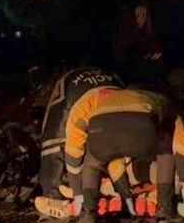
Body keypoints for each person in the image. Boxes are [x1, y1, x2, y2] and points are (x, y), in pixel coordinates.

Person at [62, 86, 184, 223]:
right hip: (141, 130)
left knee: (92, 162)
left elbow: (73, 151)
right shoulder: (163, 103)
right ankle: (164, 209)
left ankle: (88, 214)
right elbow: (183, 146)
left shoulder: (85, 105)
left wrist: (77, 194)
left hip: (101, 129)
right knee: (165, 149)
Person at [38, 67, 124, 199]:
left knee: (66, 148)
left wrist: (51, 191)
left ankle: (83, 190)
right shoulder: (110, 74)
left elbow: (52, 141)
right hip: (124, 114)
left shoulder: (65, 84)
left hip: (88, 113)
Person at [113, 2, 164, 87]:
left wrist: (155, 55)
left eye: (144, 15)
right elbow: (123, 57)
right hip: (131, 75)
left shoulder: (149, 33)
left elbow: (154, 49)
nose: (141, 18)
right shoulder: (126, 34)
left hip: (147, 75)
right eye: (138, 15)